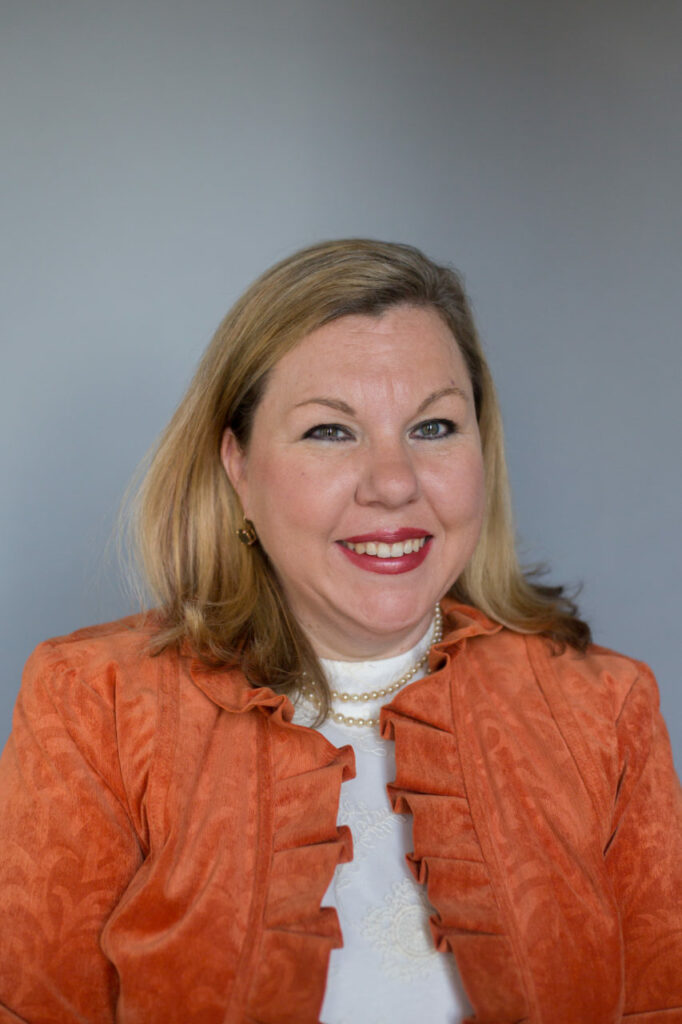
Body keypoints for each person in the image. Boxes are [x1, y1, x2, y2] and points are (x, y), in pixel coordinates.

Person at [0, 238, 680, 1024]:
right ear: (239, 467)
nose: (393, 484)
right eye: (331, 431)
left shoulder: (606, 710)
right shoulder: (95, 705)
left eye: (433, 428)